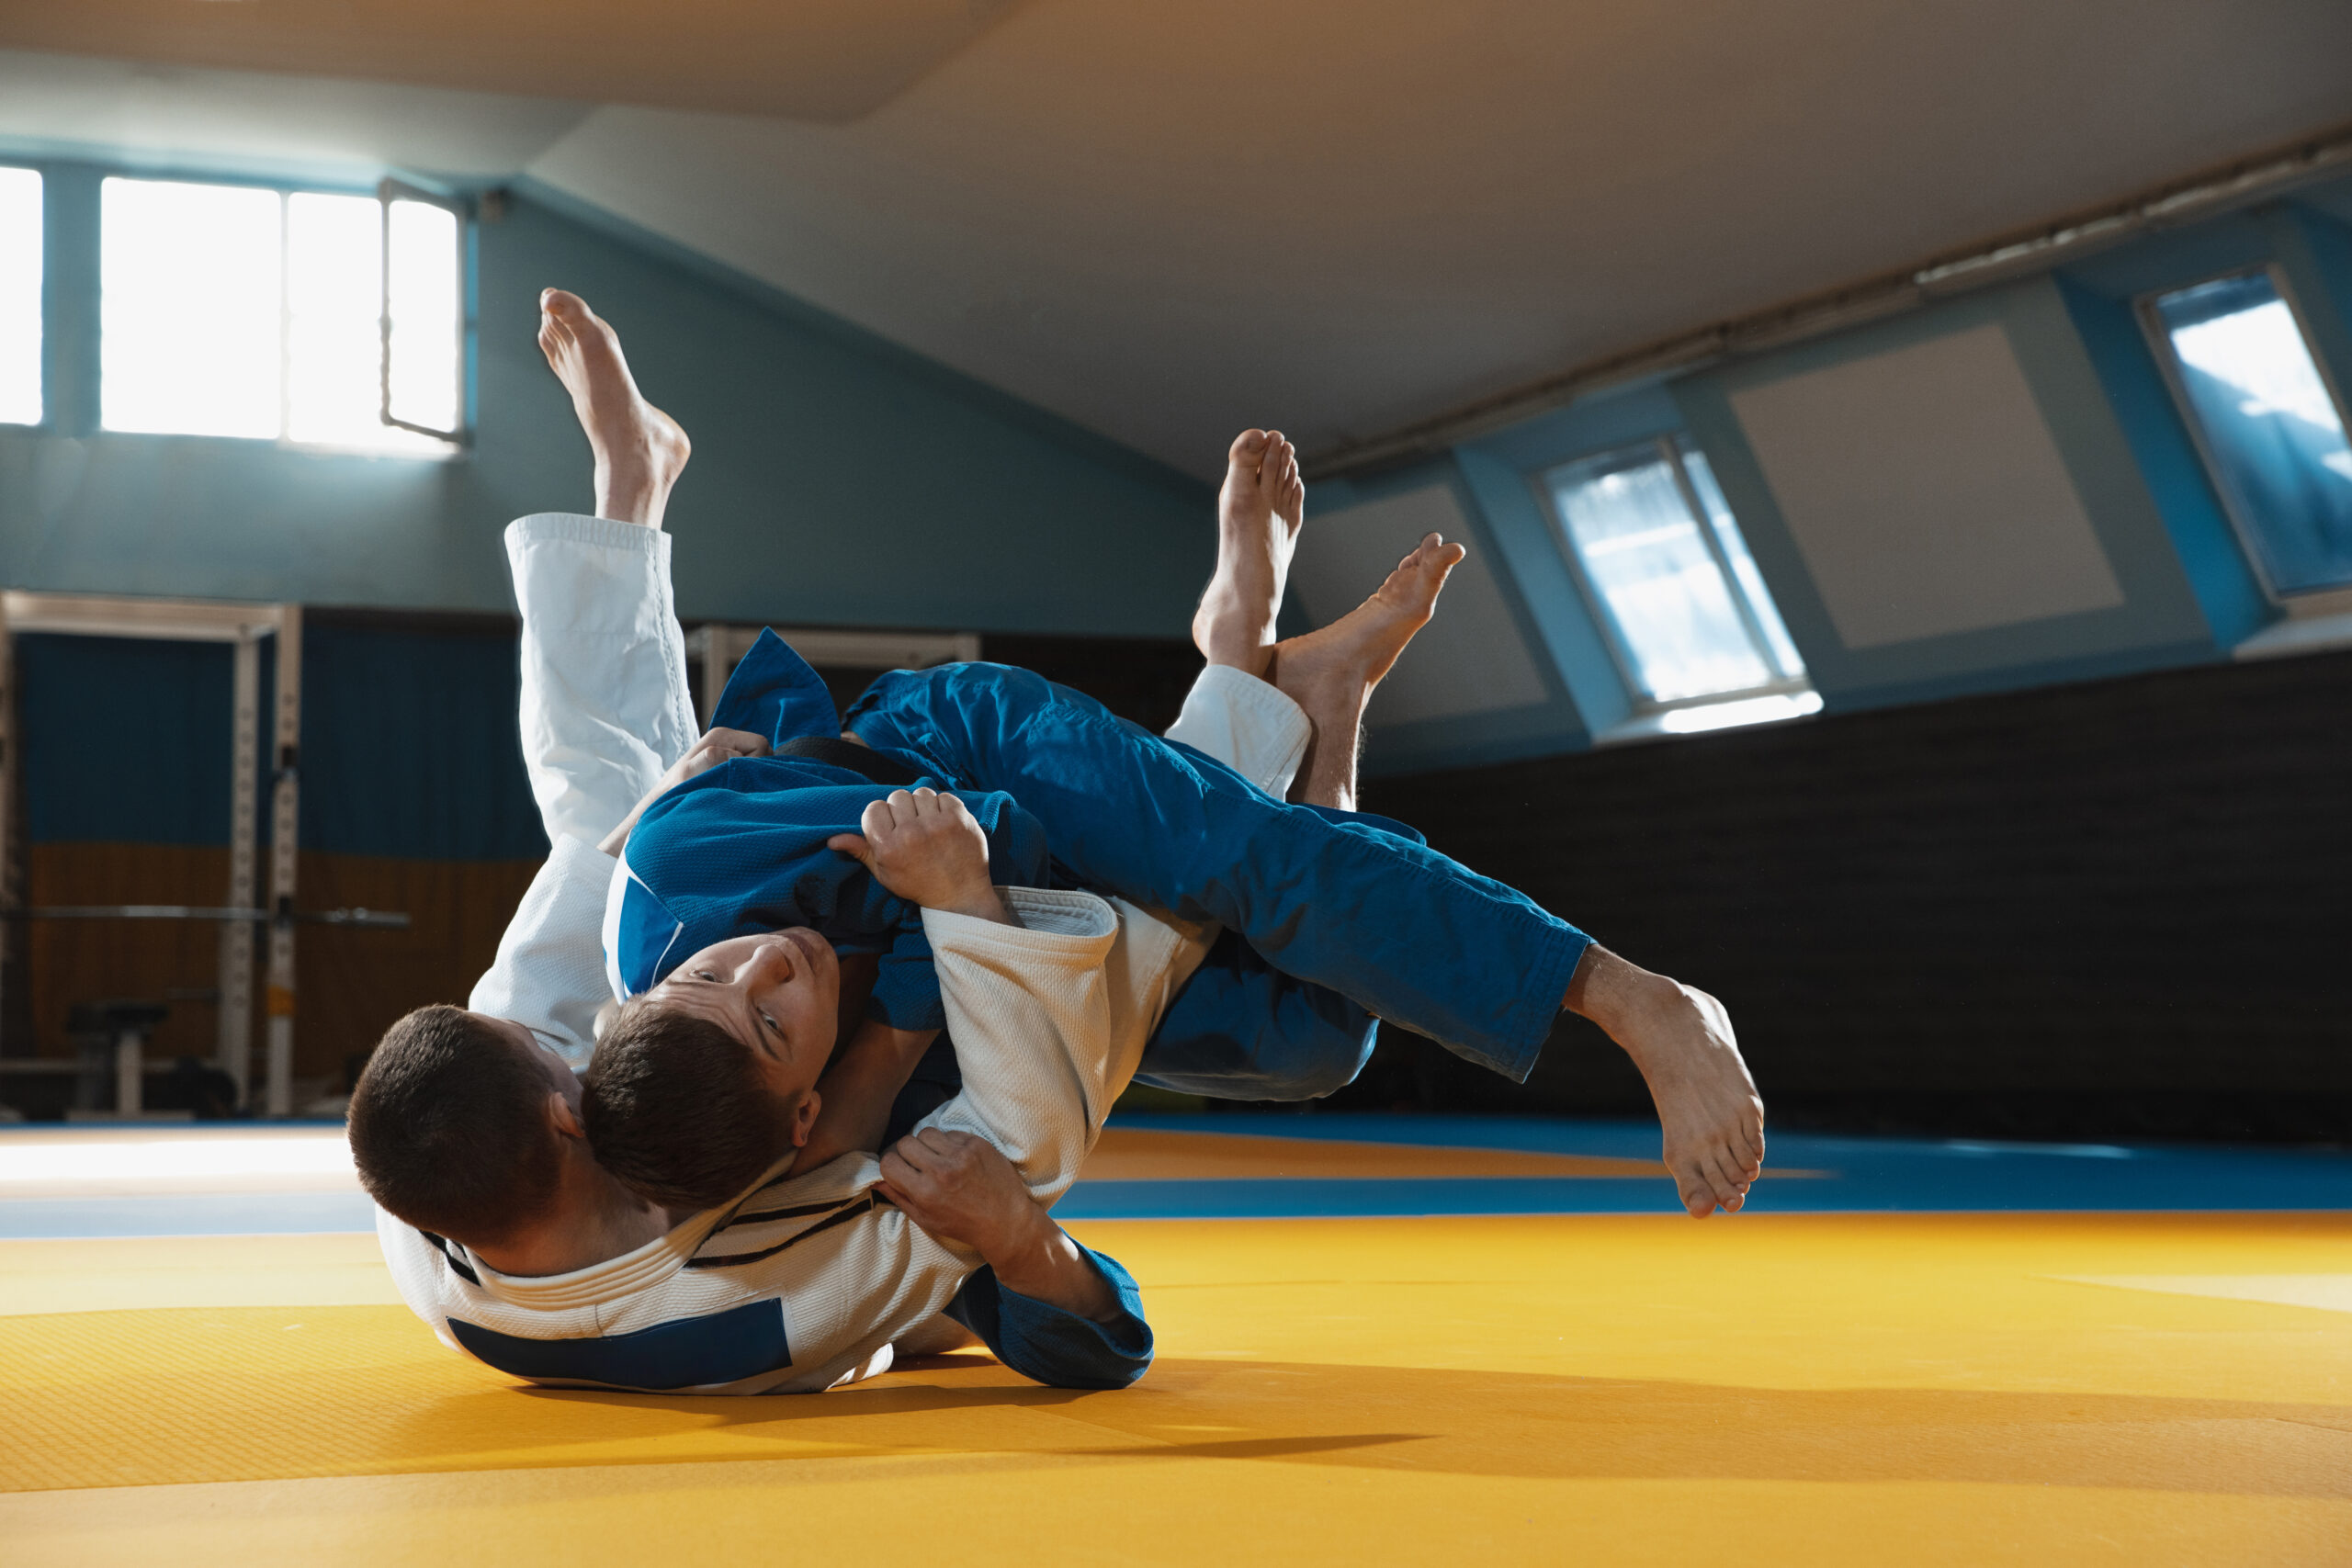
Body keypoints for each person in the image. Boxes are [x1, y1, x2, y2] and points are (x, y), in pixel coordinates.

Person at [354, 290, 1185, 1392]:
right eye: (552, 1054)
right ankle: (1252, 723)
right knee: (1176, 955)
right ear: (566, 1116)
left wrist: (672, 818)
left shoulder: (423, 1197)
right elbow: (1021, 1155)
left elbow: (579, 899)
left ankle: (631, 484)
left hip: (755, 1106)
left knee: (605, 826)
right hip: (885, 1194)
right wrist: (961, 913)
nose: (566, 1038)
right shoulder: (763, 1295)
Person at [596, 457, 1765, 1223]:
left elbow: (982, 842)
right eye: (767, 1021)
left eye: (708, 977)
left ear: (643, 997)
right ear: (797, 1114)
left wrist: (884, 1054)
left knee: (1255, 864)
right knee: (1314, 1046)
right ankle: (1312, 691)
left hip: (973, 756)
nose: (764, 966)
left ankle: (1634, 997)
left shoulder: (671, 873)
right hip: (993, 945)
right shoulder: (766, 1149)